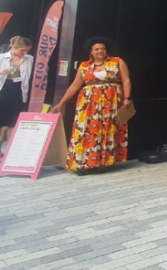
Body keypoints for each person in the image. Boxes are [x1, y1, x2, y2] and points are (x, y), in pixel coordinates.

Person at [52, 38, 132, 175]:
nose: (100, 51)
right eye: (97, 49)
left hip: (110, 103)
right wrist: (61, 102)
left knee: (107, 129)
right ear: (91, 51)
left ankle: (103, 162)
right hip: (88, 104)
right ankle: (83, 163)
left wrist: (127, 98)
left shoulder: (117, 62)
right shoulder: (84, 66)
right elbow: (75, 85)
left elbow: (126, 80)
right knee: (85, 131)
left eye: (102, 48)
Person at [0, 36, 34, 139]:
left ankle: (9, 142)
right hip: (4, 87)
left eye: (26, 51)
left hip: (19, 89)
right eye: (22, 50)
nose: (24, 53)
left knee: (14, 119)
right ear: (14, 47)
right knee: (2, 116)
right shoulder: (2, 57)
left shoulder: (29, 59)